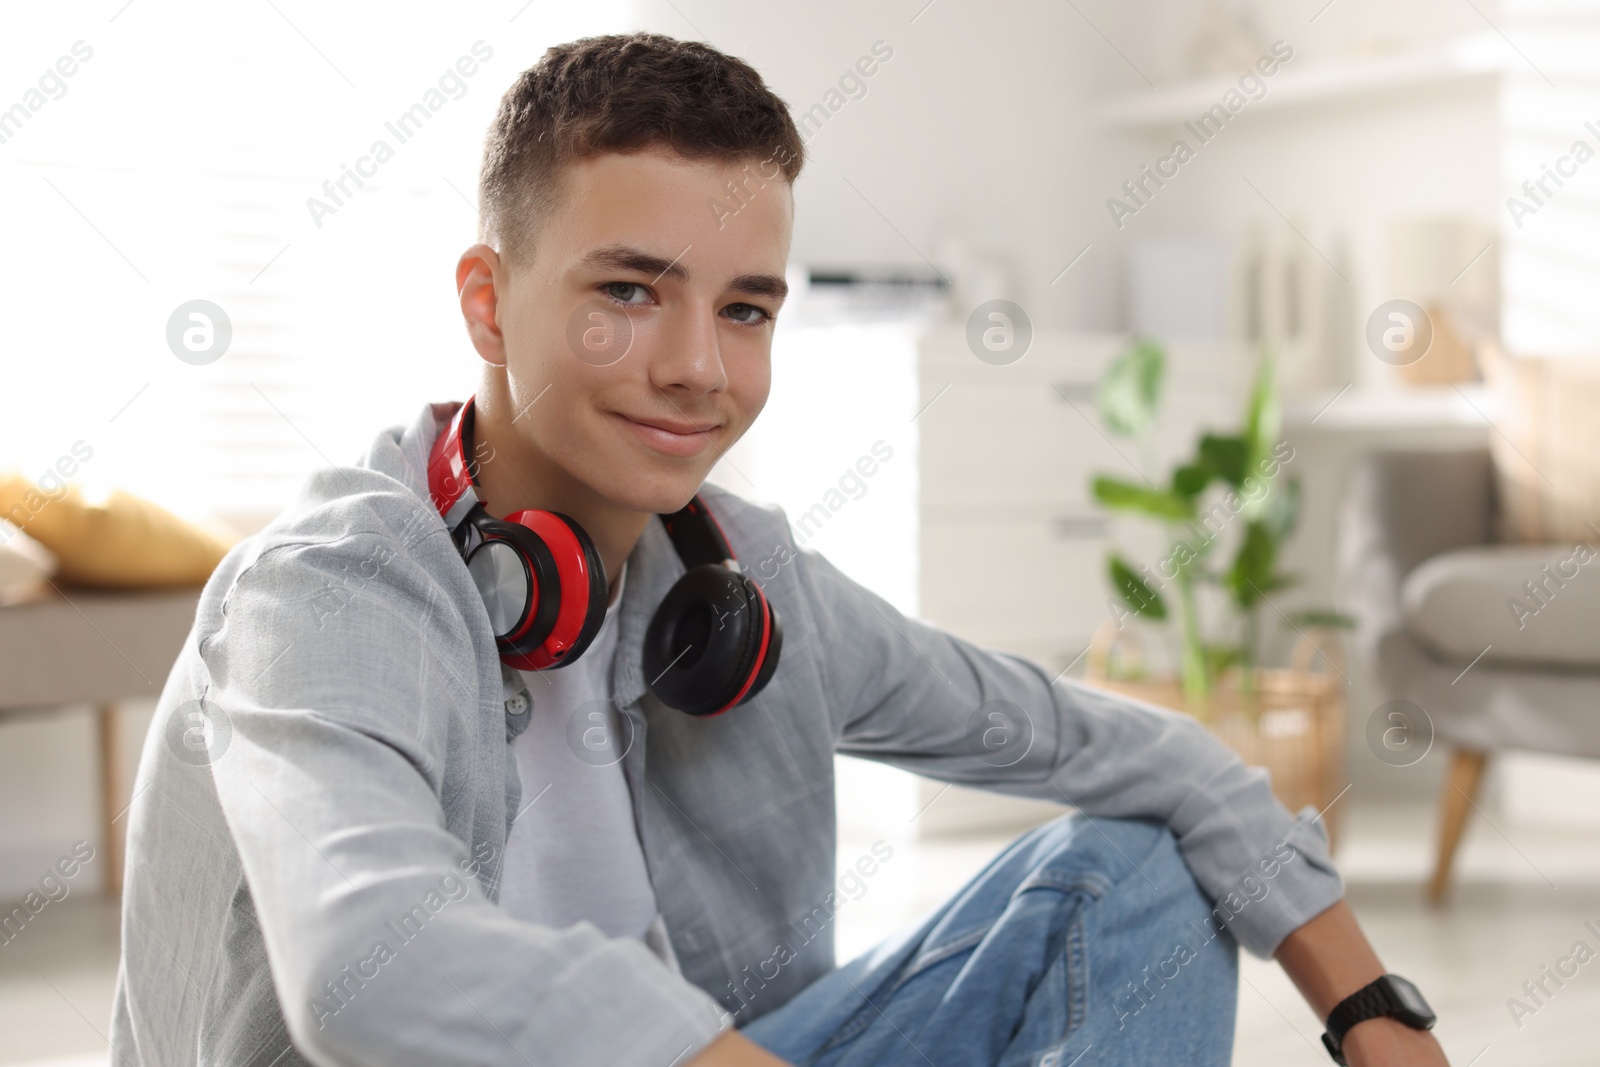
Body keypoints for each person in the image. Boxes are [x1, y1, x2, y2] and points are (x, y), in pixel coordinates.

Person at [110, 32, 1449, 1067]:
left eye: (744, 309)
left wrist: (1372, 1007)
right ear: (488, 301)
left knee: (1130, 872)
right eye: (628, 291)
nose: (697, 368)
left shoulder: (740, 582)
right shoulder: (330, 588)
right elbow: (365, 963)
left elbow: (1144, 754)